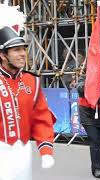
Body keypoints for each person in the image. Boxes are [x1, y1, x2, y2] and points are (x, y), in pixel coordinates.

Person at [0, 26, 56, 180]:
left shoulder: (32, 81)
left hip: (22, 153)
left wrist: (45, 151)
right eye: (16, 50)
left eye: (23, 49)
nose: (23, 54)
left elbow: (42, 118)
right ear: (3, 55)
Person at [77, 60, 100, 178]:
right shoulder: (83, 78)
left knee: (99, 142)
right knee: (94, 139)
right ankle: (97, 169)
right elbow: (80, 89)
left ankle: (97, 166)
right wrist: (90, 83)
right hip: (87, 113)